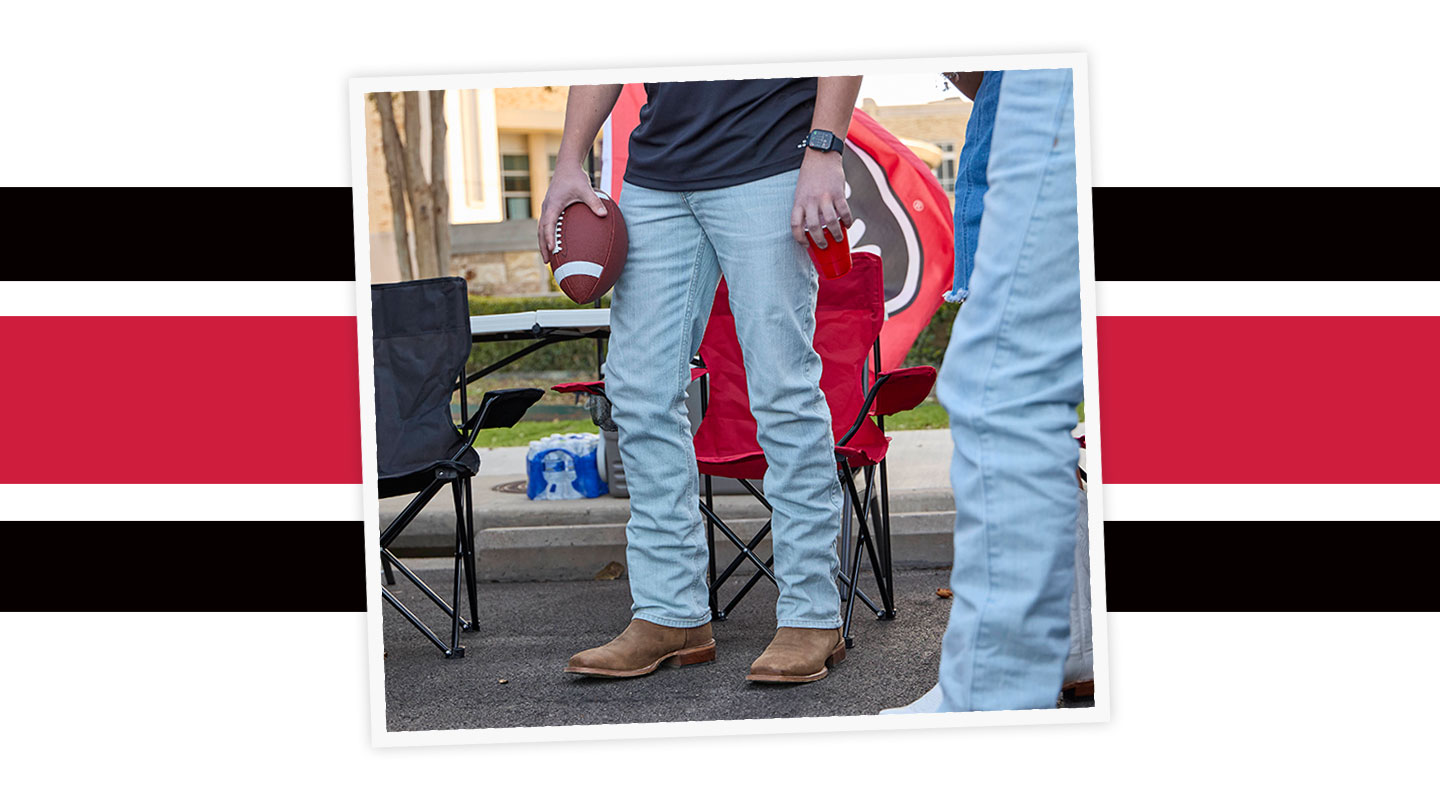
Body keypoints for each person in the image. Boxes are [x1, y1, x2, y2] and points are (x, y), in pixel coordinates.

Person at [538, 77, 863, 684]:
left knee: (782, 392)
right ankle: (669, 613)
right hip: (657, 175)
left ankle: (811, 615)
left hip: (769, 159)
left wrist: (825, 147)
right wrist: (567, 163)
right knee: (638, 390)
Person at [884, 68, 1086, 713]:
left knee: (1005, 392)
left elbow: (973, 70)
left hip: (1050, 82)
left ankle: (990, 705)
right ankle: (1072, 649)